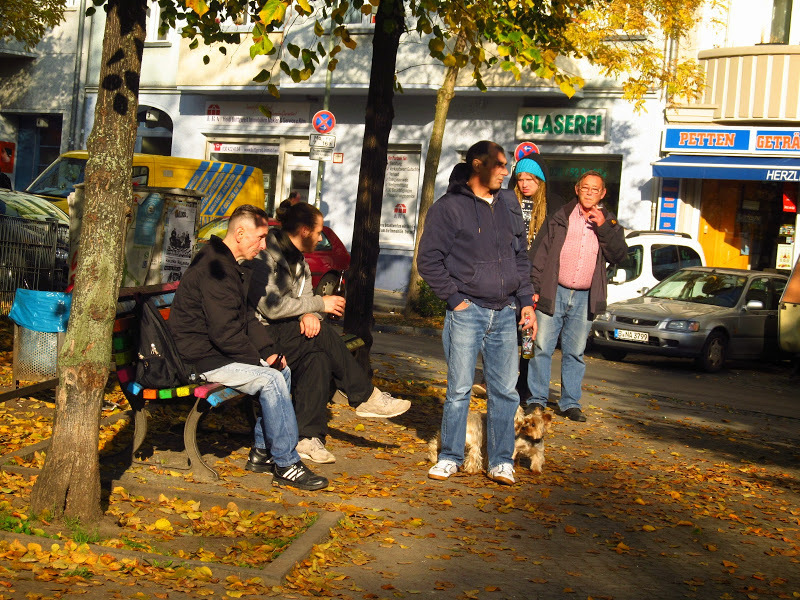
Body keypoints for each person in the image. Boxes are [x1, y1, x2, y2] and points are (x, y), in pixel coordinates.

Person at [168, 204, 328, 491]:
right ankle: (287, 463)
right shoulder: (213, 268)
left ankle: (262, 451)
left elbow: (245, 316)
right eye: (260, 237)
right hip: (198, 359)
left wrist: (268, 351)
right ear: (240, 234)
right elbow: (225, 333)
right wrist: (260, 362)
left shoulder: (231, 265)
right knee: (271, 377)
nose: (264, 244)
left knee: (283, 369)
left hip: (215, 352)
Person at [247, 202, 411, 464]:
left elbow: (308, 299)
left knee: (318, 357)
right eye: (318, 231)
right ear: (303, 231)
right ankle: (365, 395)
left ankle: (307, 438)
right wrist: (318, 307)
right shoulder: (266, 256)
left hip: (286, 331)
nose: (320, 237)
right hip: (261, 337)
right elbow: (271, 308)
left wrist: (310, 314)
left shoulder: (299, 261)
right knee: (321, 336)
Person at [418, 140, 536, 486]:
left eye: (507, 165)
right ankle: (450, 457)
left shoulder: (509, 204)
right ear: (477, 165)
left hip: (505, 312)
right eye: (500, 164)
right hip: (466, 311)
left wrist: (525, 300)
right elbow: (428, 259)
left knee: (505, 392)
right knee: (459, 389)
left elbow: (520, 256)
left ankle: (501, 461)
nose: (506, 170)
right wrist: (454, 299)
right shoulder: (449, 207)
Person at [525, 171, 627, 422]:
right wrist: (534, 289)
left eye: (595, 189)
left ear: (603, 194)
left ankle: (570, 403)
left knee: (575, 352)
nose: (589, 193)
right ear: (577, 189)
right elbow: (540, 255)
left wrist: (603, 226)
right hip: (553, 290)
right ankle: (536, 400)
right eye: (585, 188)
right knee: (541, 347)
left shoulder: (609, 222)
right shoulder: (560, 217)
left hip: (585, 297)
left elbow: (620, 256)